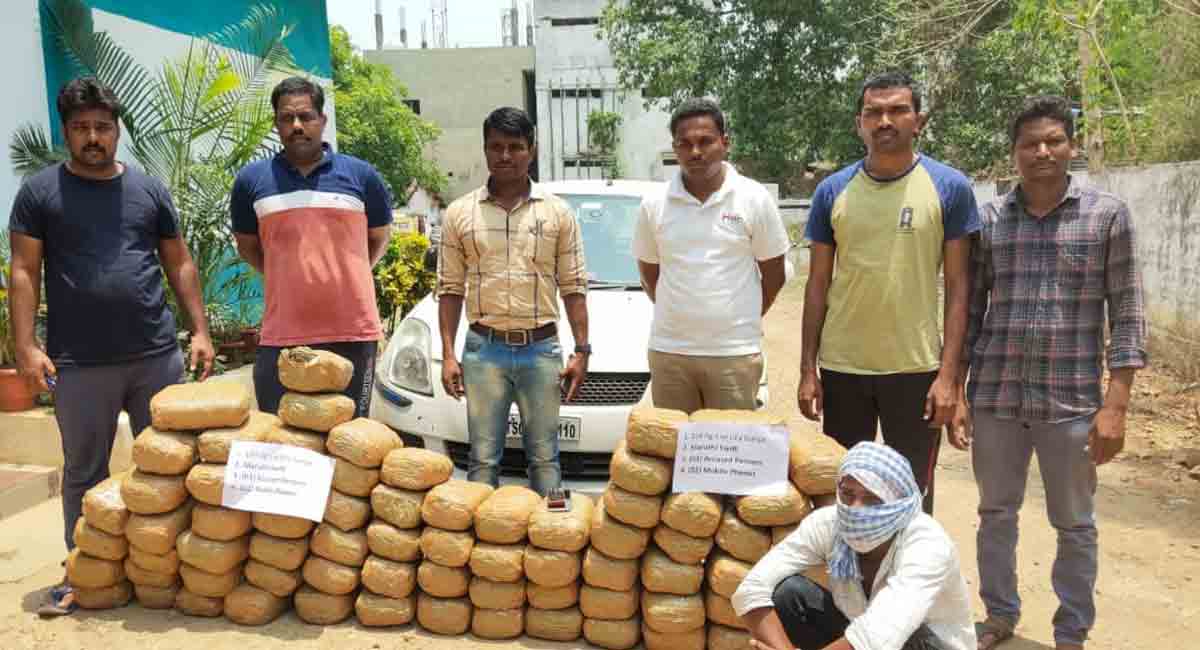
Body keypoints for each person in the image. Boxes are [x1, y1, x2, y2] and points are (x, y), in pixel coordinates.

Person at [8, 77, 213, 616]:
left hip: (154, 356)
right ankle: (85, 573)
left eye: (102, 126)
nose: (93, 137)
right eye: (81, 128)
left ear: (117, 130)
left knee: (169, 468)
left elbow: (179, 261)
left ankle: (168, 572)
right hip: (78, 363)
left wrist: (200, 330)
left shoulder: (148, 190)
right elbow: (25, 270)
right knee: (84, 472)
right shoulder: (40, 193)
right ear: (67, 132)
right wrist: (25, 347)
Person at [956, 95, 1146, 650]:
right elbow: (970, 311)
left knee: (1075, 524)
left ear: (1072, 147)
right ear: (1014, 154)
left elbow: (1128, 311)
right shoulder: (989, 219)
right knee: (995, 513)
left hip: (1071, 402)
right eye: (1030, 143)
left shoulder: (1107, 216)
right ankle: (998, 616)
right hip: (996, 396)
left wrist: (1116, 405)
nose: (1042, 152)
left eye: (1053, 141)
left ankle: (1071, 632)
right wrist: (960, 390)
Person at [797, 72, 980, 513]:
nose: (884, 120)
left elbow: (959, 289)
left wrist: (949, 378)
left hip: (916, 370)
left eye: (897, 110)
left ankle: (908, 582)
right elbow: (817, 285)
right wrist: (807, 370)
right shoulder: (832, 192)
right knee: (844, 493)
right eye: (873, 112)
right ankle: (846, 581)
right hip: (843, 369)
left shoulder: (950, 187)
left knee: (913, 499)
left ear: (917, 120)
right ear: (859, 123)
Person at [437, 106, 590, 495]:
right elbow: (450, 288)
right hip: (483, 350)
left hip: (541, 350)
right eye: (497, 147)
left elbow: (573, 287)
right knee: (483, 458)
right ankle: (481, 548)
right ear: (486, 150)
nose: (506, 156)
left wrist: (582, 350)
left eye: (516, 147)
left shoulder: (557, 213)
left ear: (532, 150)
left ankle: (551, 539)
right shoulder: (460, 213)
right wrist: (449, 354)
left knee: (544, 457)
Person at [231, 77, 393, 417]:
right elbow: (248, 247)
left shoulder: (362, 176)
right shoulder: (252, 181)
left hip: (353, 331)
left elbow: (378, 238)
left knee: (349, 439)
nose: (297, 126)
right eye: (286, 118)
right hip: (282, 334)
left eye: (305, 116)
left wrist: (350, 270)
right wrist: (285, 272)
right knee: (282, 440)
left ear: (322, 119)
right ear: (276, 123)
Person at [733, 441, 975, 650]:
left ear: (898, 503)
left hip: (922, 644)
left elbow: (878, 636)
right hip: (861, 637)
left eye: (872, 499)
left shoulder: (927, 543)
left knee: (910, 635)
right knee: (788, 595)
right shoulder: (828, 524)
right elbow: (751, 588)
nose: (856, 510)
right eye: (848, 494)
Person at [632, 98, 789, 414]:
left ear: (725, 143)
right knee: (673, 453)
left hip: (734, 354)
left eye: (705, 141)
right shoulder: (654, 204)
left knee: (731, 454)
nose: (695, 152)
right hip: (670, 352)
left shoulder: (753, 198)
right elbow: (650, 275)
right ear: (674, 148)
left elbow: (775, 273)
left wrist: (739, 317)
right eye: (685, 144)